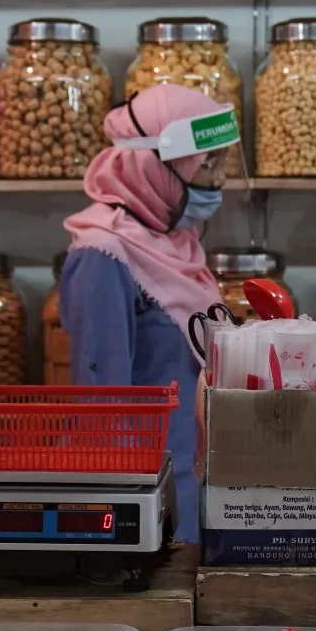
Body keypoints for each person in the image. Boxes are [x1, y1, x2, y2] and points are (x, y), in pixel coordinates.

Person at [60, 83, 239, 543]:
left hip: (196, 482)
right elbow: (104, 408)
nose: (218, 181)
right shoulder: (104, 255)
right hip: (150, 506)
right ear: (156, 166)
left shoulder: (175, 242)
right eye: (206, 165)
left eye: (221, 164)